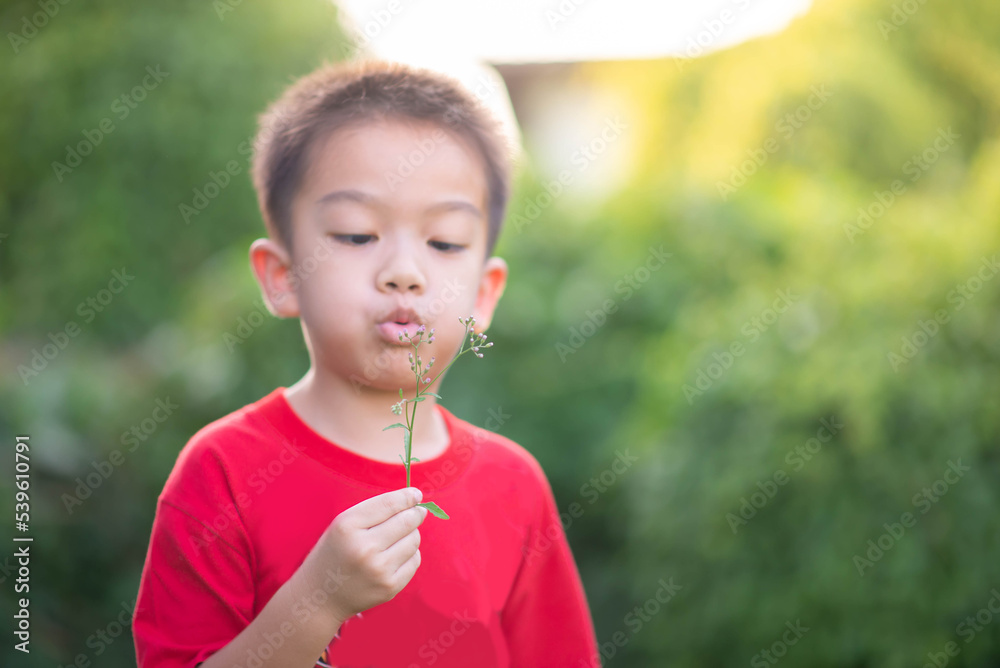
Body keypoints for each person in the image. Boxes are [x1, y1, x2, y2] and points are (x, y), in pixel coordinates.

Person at [132, 58, 600, 668]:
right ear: (281, 277)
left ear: (485, 295)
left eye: (445, 242)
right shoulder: (222, 472)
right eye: (356, 235)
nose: (404, 271)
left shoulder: (515, 487)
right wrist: (317, 602)